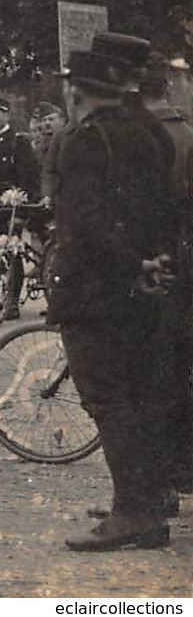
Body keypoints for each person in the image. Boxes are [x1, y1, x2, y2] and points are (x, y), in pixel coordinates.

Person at [48, 48, 178, 550]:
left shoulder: (86, 141)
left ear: (75, 90)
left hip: (95, 289)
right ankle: (148, 497)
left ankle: (133, 512)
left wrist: (127, 263)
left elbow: (84, 224)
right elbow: (164, 204)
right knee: (141, 393)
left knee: (107, 398)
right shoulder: (148, 133)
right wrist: (152, 261)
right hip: (143, 284)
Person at [141, 53, 192, 499]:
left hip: (153, 267)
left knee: (151, 380)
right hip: (185, 262)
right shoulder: (188, 134)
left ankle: (159, 490)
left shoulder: (140, 138)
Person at [0, 95, 41, 316]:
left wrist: (22, 209)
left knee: (11, 249)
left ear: (6, 115)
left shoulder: (18, 142)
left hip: (11, 204)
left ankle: (11, 301)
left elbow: (28, 177)